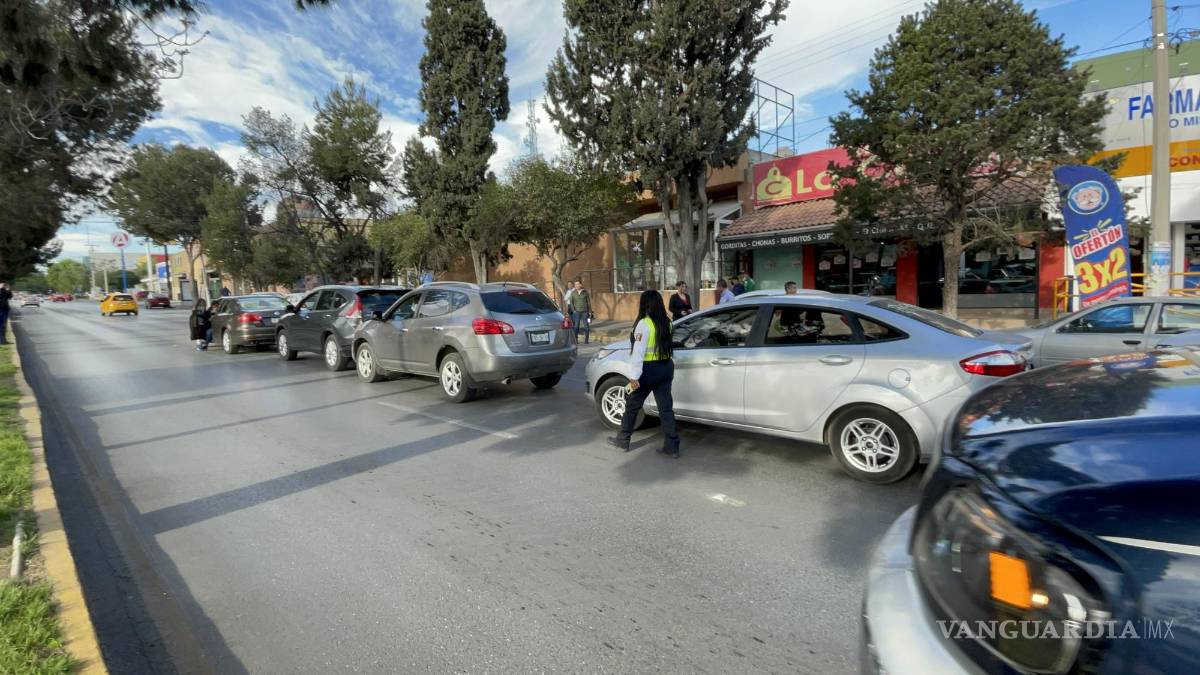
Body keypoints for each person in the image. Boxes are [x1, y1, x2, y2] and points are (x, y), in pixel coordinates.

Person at [608, 290, 679, 457]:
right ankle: (672, 446)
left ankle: (623, 440)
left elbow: (638, 353)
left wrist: (634, 377)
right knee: (666, 409)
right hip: (666, 368)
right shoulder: (668, 323)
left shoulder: (644, 324)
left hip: (648, 370)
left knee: (632, 405)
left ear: (645, 304)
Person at [567, 280, 592, 344]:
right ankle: (576, 339)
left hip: (585, 311)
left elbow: (588, 302)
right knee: (576, 326)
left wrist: (590, 311)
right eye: (575, 284)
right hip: (577, 312)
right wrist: (573, 310)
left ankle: (586, 340)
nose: (576, 286)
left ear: (580, 285)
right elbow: (571, 302)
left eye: (577, 284)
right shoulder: (573, 293)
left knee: (586, 326)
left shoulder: (585, 292)